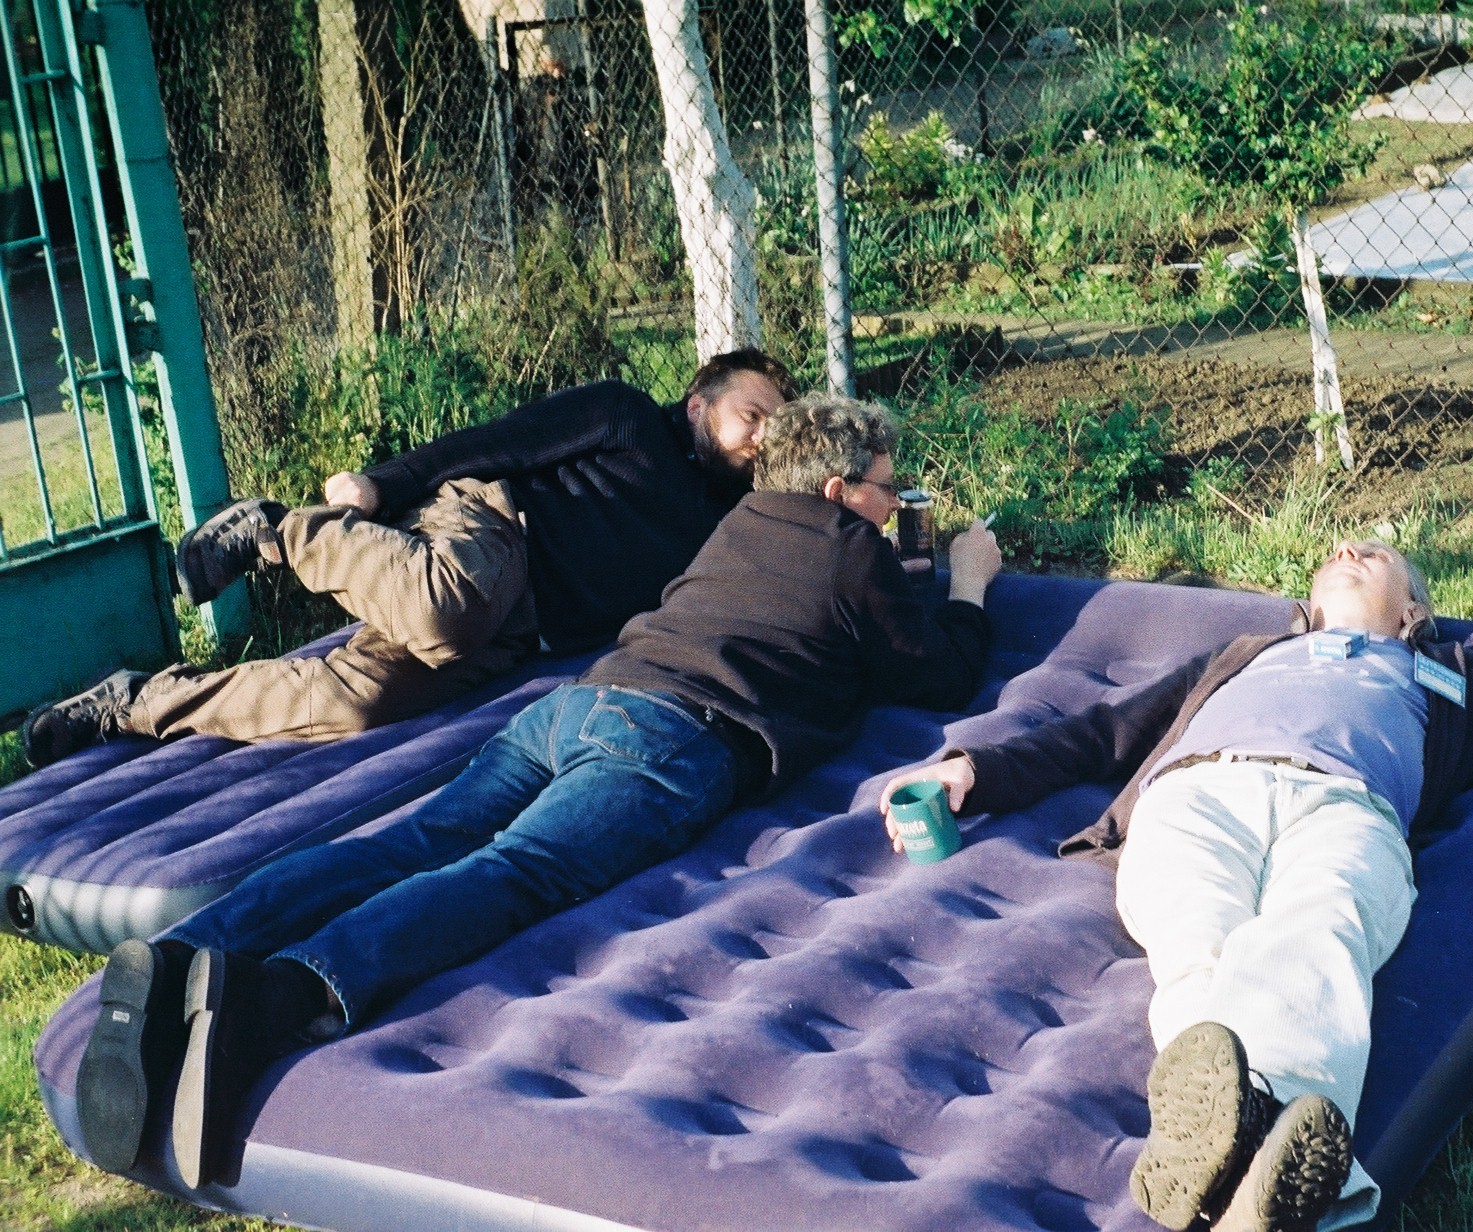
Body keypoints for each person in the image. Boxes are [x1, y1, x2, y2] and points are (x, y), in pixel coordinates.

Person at [73, 393, 1003, 1189]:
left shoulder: (741, 522)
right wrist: (968, 582)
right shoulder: (851, 546)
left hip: (577, 703)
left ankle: (183, 954)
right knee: (515, 872)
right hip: (676, 737)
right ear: (838, 492)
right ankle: (273, 1003)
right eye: (886, 487)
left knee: (407, 843)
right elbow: (942, 674)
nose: (895, 502)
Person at [878, 540, 1473, 1232]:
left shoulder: (1460, 674)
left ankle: (1231, 1163)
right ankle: (1279, 1180)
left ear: (1412, 607)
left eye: (1373, 553)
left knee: (1325, 930)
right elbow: (1105, 732)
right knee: (1191, 930)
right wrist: (977, 770)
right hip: (1197, 796)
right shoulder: (1244, 654)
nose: (1347, 549)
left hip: (1347, 809)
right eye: (1336, 550)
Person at [22, 349, 798, 767]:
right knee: (444, 607)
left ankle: (132, 704)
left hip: (520, 630)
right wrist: (380, 484)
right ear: (699, 402)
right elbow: (497, 441)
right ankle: (277, 531)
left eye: (775, 428)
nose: (760, 435)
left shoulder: (729, 524)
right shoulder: (630, 419)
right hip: (494, 531)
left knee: (350, 703)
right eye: (750, 413)